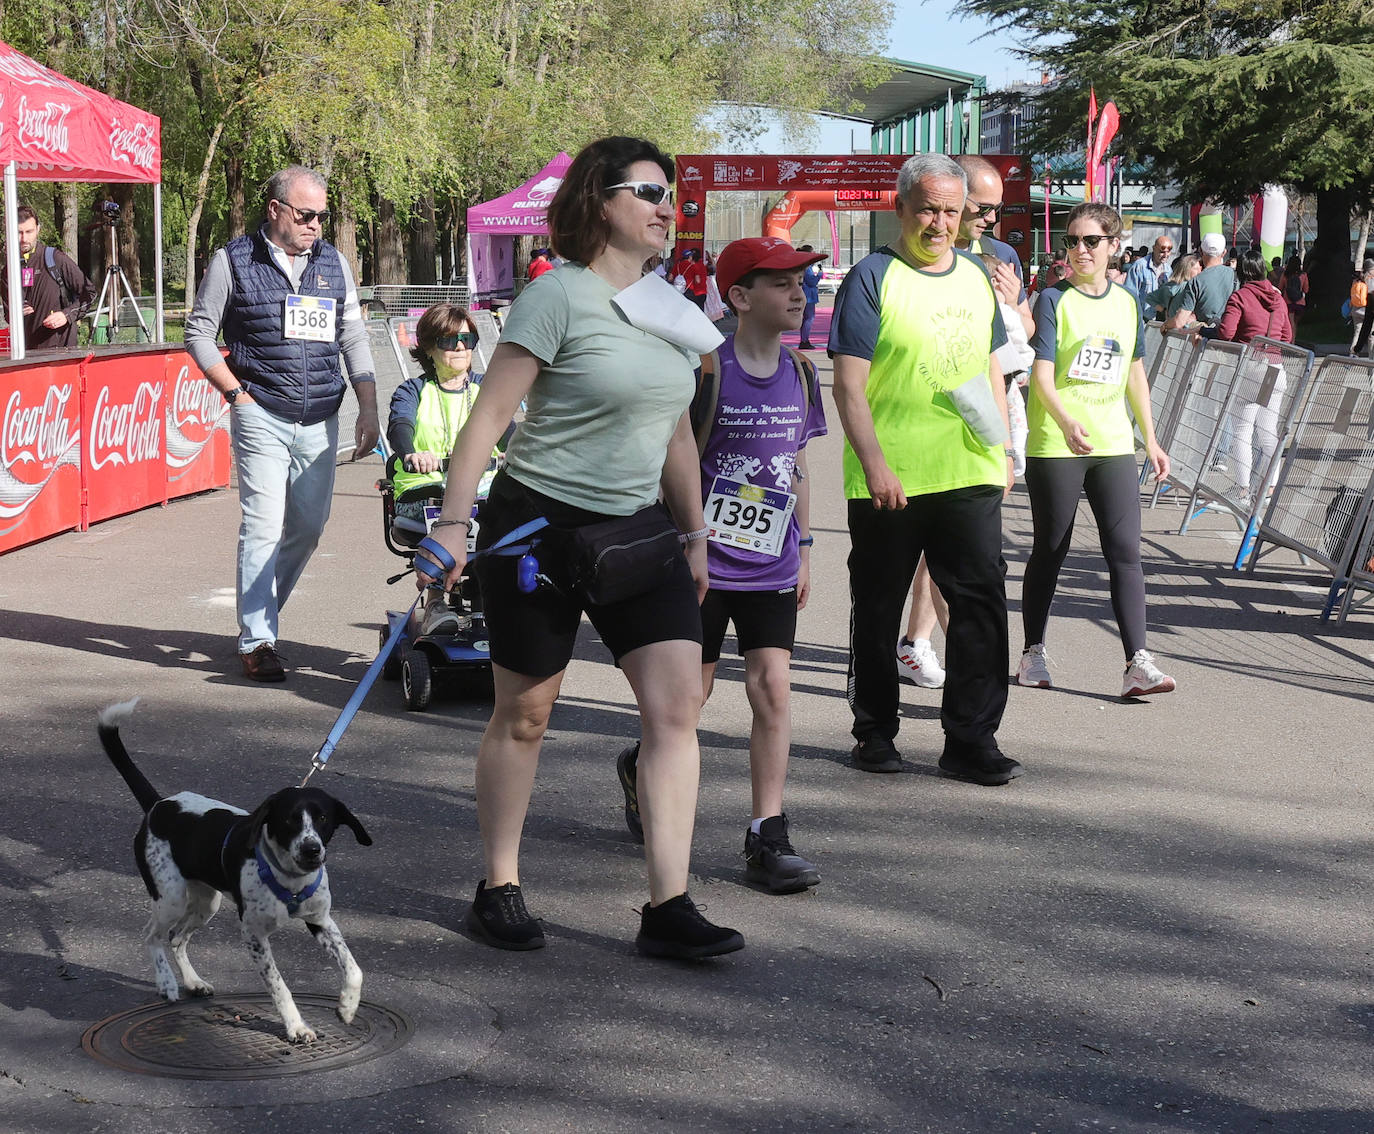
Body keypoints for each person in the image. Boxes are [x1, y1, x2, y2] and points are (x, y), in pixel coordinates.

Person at [414, 135, 743, 960]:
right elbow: (486, 420)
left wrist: (696, 533)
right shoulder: (555, 297)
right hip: (538, 529)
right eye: (648, 192)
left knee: (676, 710)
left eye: (670, 194)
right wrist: (452, 527)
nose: (667, 208)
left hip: (638, 530)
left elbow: (674, 434)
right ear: (600, 201)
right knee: (524, 715)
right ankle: (499, 884)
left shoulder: (674, 308)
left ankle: (669, 905)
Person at [616, 236, 828, 893]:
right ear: (739, 297)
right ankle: (640, 767)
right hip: (702, 561)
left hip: (771, 559)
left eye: (802, 280)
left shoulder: (799, 372)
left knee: (772, 688)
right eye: (781, 282)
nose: (799, 292)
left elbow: (796, 467)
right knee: (689, 700)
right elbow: (675, 457)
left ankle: (769, 832)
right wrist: (689, 539)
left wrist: (808, 546)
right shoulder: (705, 368)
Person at [830, 152, 1019, 787]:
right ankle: (875, 731)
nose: (938, 223)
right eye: (926, 210)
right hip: (891, 481)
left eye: (949, 210)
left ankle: (971, 740)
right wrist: (876, 464)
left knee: (981, 606)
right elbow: (849, 387)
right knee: (878, 608)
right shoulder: (871, 277)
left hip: (967, 470)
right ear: (901, 209)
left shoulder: (974, 275)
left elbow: (992, 365)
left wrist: (1003, 448)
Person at [185, 165, 379, 682]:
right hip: (260, 411)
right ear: (275, 210)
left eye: (323, 215)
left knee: (308, 529)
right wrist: (237, 395)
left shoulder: (334, 263)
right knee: (263, 526)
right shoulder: (232, 261)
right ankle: (259, 639)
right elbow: (199, 333)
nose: (317, 224)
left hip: (320, 417)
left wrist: (369, 404)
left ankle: (262, 615)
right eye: (306, 214)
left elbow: (353, 337)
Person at [1016, 202, 1176, 699]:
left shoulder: (1128, 303)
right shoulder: (1053, 300)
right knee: (1051, 549)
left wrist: (1150, 438)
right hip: (1057, 444)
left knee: (1125, 552)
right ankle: (1032, 652)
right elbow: (1041, 374)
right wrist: (1065, 422)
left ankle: (1137, 662)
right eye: (1072, 241)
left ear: (1113, 247)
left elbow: (1134, 374)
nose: (1078, 250)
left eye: (1090, 241)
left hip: (1111, 445)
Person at [387, 303, 503, 635]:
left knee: (506, 510)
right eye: (451, 341)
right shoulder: (413, 391)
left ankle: (491, 602)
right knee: (439, 507)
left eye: (468, 340)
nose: (461, 348)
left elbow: (509, 432)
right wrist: (411, 453)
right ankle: (435, 602)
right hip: (425, 491)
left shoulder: (487, 389)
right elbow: (400, 427)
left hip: (479, 493)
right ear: (428, 347)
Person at [1216, 249, 1293, 504]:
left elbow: (1226, 333)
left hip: (1250, 367)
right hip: (1275, 368)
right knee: (1268, 430)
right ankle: (1271, 486)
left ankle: (1243, 488)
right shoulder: (1278, 299)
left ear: (1241, 273)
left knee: (1242, 429)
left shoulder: (1240, 297)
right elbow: (1287, 337)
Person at [1, 204, 95, 350]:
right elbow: (8, 315)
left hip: (62, 350)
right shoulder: (9, 270)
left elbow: (90, 294)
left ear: (38, 229)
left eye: (29, 231)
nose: (24, 238)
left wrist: (66, 315)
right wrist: (15, 314)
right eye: (19, 232)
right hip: (26, 353)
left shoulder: (54, 258)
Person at [1165, 232, 1236, 330]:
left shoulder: (1196, 281)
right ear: (1224, 253)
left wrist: (1165, 325)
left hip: (1203, 338)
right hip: (1230, 338)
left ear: (1200, 251)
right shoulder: (1235, 276)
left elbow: (1179, 322)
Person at [1124, 235, 1175, 313]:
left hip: (1161, 319)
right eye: (1162, 252)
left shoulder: (1168, 270)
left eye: (1168, 252)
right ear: (1154, 248)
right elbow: (1130, 296)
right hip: (1143, 320)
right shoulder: (1139, 266)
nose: (1165, 255)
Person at [1142, 253, 1200, 322]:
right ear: (1188, 269)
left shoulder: (1170, 285)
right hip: (1185, 327)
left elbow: (1149, 298)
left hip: (1170, 324)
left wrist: (1164, 310)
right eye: (1196, 268)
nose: (1200, 271)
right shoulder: (1189, 287)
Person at [798, 244, 822, 349]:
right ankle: (804, 340)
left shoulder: (804, 266)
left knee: (806, 318)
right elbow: (812, 281)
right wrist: (820, 274)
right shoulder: (807, 268)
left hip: (806, 294)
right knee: (809, 318)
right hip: (808, 296)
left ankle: (804, 339)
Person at [1350, 259, 1374, 356]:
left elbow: (1366, 327)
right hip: (1364, 311)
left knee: (1358, 332)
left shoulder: (1356, 281)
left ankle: (1353, 355)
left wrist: (1357, 348)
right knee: (1370, 337)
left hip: (1356, 310)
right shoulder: (1371, 295)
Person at [1278, 254, 1308, 328]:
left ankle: (1291, 339)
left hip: (1288, 303)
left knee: (1290, 325)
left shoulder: (1285, 274)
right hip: (1300, 303)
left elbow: (1280, 288)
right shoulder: (1304, 275)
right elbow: (1306, 290)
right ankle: (1293, 339)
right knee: (1295, 324)